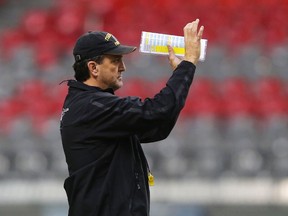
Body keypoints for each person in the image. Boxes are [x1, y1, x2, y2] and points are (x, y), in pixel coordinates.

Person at [60, 19, 204, 216]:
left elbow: (158, 124)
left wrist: (181, 73)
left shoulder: (90, 106)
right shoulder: (93, 107)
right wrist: (187, 65)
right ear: (93, 67)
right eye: (115, 60)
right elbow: (158, 111)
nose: (123, 67)